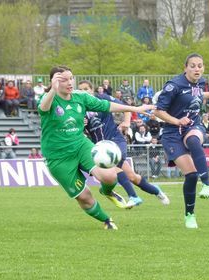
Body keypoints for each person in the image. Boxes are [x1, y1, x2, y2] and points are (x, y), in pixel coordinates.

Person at [39, 66, 155, 230]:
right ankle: (107, 220)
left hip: (81, 145)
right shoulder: (48, 99)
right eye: (63, 79)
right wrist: (52, 89)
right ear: (54, 82)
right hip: (58, 157)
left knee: (109, 176)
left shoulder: (80, 97)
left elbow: (107, 105)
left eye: (71, 78)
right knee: (85, 198)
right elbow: (43, 107)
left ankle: (107, 191)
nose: (69, 82)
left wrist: (135, 109)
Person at [154, 53, 209, 229]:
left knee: (194, 140)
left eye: (200, 66)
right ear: (185, 68)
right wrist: (177, 121)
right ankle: (189, 215)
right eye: (193, 66)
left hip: (192, 126)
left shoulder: (201, 82)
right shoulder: (174, 86)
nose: (197, 69)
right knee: (192, 175)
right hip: (172, 133)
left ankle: (208, 185)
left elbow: (200, 95)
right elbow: (158, 111)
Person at [79, 80, 169, 208]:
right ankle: (157, 191)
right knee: (133, 177)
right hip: (100, 147)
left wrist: (126, 122)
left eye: (86, 89)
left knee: (113, 165)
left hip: (115, 140)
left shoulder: (102, 98)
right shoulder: (80, 108)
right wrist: (80, 125)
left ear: (92, 90)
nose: (83, 92)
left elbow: (126, 108)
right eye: (80, 89)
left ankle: (133, 196)